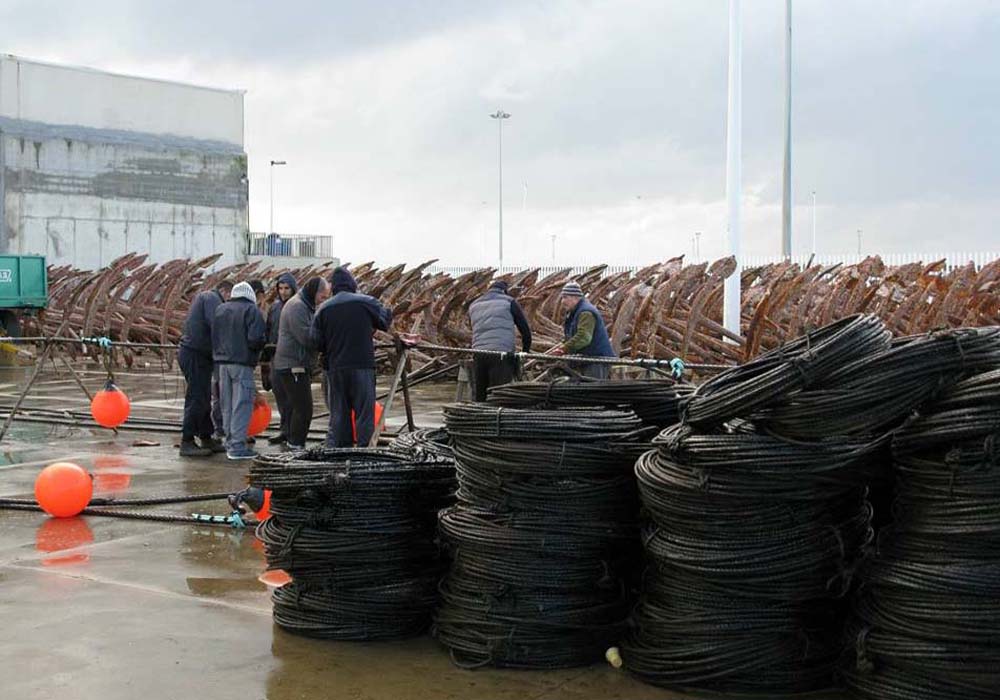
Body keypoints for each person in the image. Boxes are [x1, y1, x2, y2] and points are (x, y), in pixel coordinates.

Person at [310, 267, 392, 448]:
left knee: (339, 415)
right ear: (352, 284)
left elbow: (315, 342)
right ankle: (363, 454)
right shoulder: (366, 302)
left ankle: (340, 453)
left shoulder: (322, 310)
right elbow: (385, 320)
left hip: (336, 369)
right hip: (362, 366)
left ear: (333, 288)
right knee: (364, 413)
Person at [177, 280, 233, 457]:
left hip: (201, 355)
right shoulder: (211, 298)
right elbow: (217, 324)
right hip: (194, 354)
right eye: (230, 298)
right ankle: (187, 440)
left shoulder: (208, 298)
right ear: (224, 291)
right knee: (196, 397)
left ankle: (206, 435)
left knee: (203, 397)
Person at [212, 280, 267, 460]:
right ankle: (237, 447)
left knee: (226, 405)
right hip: (242, 364)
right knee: (241, 404)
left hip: (221, 364)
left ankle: (229, 443)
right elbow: (255, 338)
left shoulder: (220, 309)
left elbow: (214, 335)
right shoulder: (252, 310)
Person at [273, 276, 329, 450]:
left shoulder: (305, 305)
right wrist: (328, 342)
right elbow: (306, 338)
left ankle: (294, 442)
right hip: (293, 365)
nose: (323, 301)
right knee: (304, 409)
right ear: (315, 292)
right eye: (323, 297)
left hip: (295, 364)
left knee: (298, 408)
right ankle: (295, 446)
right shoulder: (297, 307)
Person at [467, 280, 532, 401]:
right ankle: (497, 417)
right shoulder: (509, 302)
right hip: (502, 353)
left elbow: (473, 327)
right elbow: (525, 329)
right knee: (499, 393)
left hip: (479, 353)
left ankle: (478, 416)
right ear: (504, 291)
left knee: (480, 393)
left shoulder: (474, 305)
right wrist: (525, 351)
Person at [551, 280, 616, 379]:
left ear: (575, 297)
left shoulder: (586, 312)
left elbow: (584, 337)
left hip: (597, 360)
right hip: (589, 359)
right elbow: (573, 334)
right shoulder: (575, 312)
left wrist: (564, 348)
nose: (562, 302)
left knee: (592, 389)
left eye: (565, 297)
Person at [263, 272, 298, 445]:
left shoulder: (297, 306)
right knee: (280, 394)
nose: (283, 292)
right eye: (281, 288)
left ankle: (293, 430)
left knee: (293, 396)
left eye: (287, 288)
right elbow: (269, 329)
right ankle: (284, 429)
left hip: (291, 357)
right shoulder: (275, 308)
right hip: (275, 356)